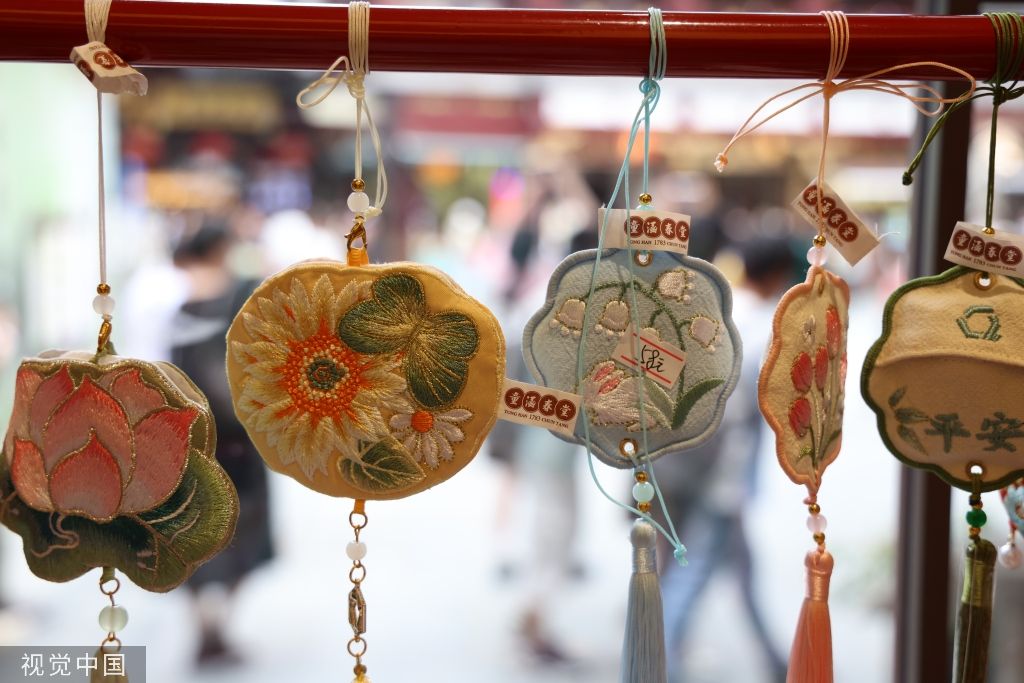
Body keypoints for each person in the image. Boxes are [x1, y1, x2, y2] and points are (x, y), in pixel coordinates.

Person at [653, 237, 795, 683]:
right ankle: (660, 663)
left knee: (731, 569)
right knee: (693, 571)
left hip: (675, 462)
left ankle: (778, 662)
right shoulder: (763, 328)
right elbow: (740, 410)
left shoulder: (714, 311)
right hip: (719, 475)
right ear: (776, 275)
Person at [169, 222, 274, 666]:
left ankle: (210, 628)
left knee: (197, 539)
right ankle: (213, 629)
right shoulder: (232, 304)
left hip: (196, 445)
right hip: (230, 445)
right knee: (231, 537)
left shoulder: (189, 310)